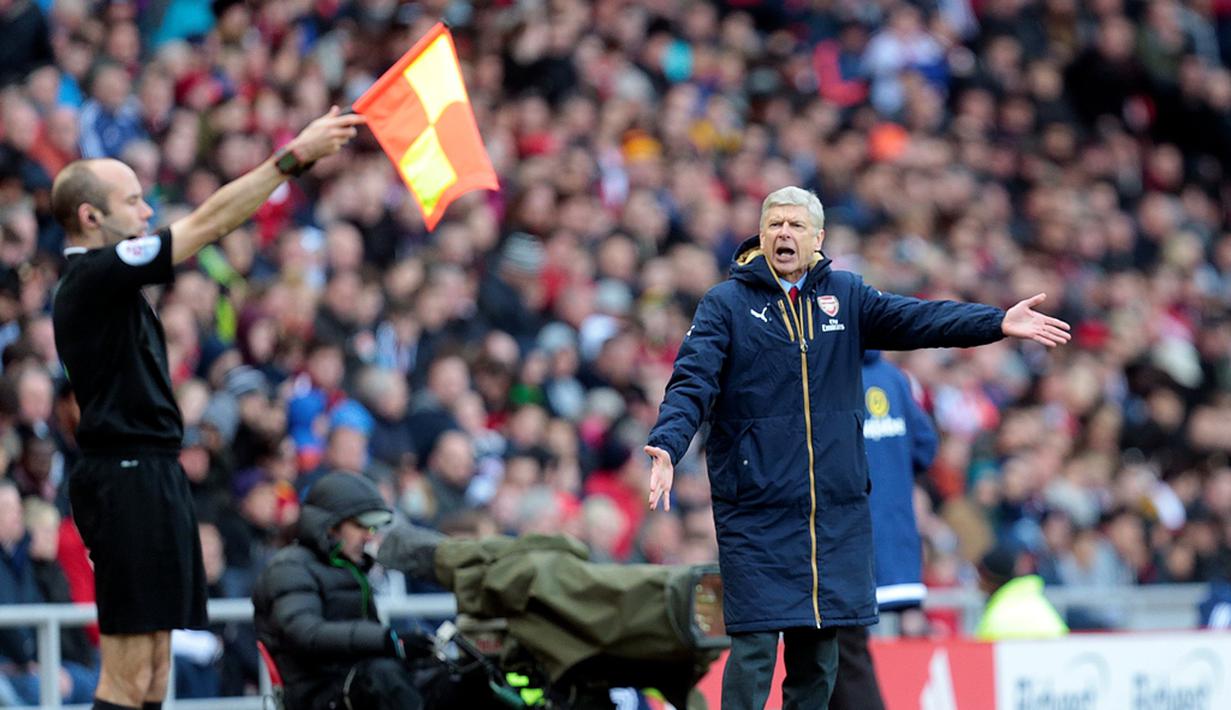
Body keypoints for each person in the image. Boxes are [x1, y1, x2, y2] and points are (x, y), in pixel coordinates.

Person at [643, 186, 1070, 709]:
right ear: (760, 233)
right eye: (774, 224)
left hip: (833, 510)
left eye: (796, 226)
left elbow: (919, 320)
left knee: (819, 656)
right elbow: (692, 381)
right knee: (754, 646)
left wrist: (996, 322)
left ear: (817, 238)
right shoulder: (725, 305)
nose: (783, 234)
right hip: (756, 509)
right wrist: (667, 443)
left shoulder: (845, 295)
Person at [50, 106, 364, 710]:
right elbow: (209, 223)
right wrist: (292, 156)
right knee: (127, 670)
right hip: (124, 476)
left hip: (153, 472)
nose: (147, 212)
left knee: (156, 668)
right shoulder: (92, 277)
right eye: (134, 201)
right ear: (91, 216)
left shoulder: (111, 285)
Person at [252, 472, 430, 710]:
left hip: (355, 684)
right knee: (383, 675)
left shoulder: (351, 568)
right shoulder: (289, 567)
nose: (369, 536)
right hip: (318, 696)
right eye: (360, 525)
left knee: (444, 676)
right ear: (329, 526)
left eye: (373, 527)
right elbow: (307, 633)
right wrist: (387, 640)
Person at [830, 350, 938, 710]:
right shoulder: (895, 378)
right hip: (898, 540)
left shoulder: (826, 376)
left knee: (839, 646)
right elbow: (926, 446)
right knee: (874, 637)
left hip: (844, 540)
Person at [973, 543, 1068, 640]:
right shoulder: (1040, 606)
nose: (978, 585)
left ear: (991, 579)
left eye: (980, 577)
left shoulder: (995, 618)